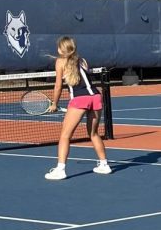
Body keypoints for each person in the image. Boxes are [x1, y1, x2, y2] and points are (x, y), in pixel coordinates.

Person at [44, 36, 111, 180]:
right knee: (93, 134)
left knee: (65, 136)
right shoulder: (82, 60)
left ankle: (60, 169)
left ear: (61, 49)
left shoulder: (60, 61)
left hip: (79, 100)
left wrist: (54, 104)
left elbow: (58, 86)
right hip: (95, 97)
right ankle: (104, 165)